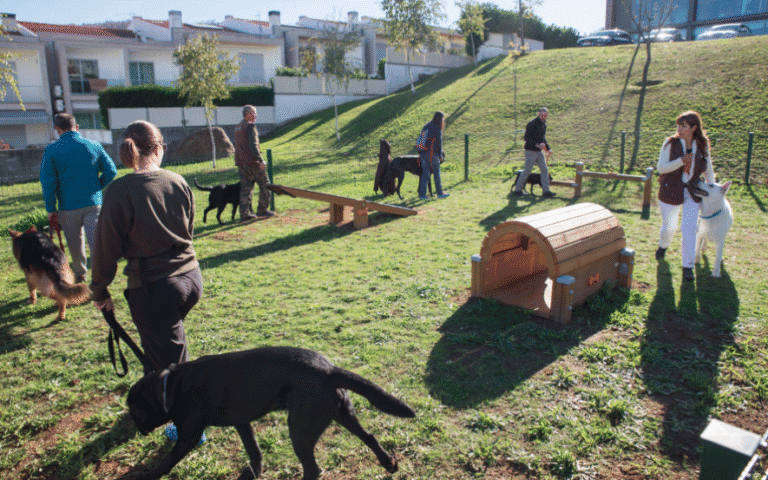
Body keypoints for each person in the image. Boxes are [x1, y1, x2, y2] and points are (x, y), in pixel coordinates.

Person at [91, 120, 202, 374]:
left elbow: (105, 247)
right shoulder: (178, 181)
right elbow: (189, 229)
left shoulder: (119, 191)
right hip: (191, 278)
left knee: (169, 368)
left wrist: (99, 290)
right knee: (168, 349)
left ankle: (181, 407)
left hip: (154, 289)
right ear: (158, 149)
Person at [40, 113, 117, 282]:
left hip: (68, 206)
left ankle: (80, 274)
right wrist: (97, 186)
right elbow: (111, 170)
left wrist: (51, 209)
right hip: (93, 202)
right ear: (77, 126)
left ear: (57, 129)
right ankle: (100, 276)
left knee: (75, 244)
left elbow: (48, 183)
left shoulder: (51, 150)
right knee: (96, 242)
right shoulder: (94, 145)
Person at [655, 110, 715, 282]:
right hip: (671, 188)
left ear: (694, 127)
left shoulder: (702, 145)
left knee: (689, 228)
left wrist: (711, 189)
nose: (679, 129)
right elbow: (661, 168)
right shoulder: (669, 143)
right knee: (670, 226)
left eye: (684, 126)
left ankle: (687, 267)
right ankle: (663, 246)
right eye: (678, 125)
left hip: (692, 190)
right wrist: (681, 161)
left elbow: (707, 168)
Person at [234, 105, 274, 221]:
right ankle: (262, 210)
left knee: (245, 189)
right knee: (266, 185)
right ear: (247, 114)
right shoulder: (250, 126)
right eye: (254, 113)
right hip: (252, 162)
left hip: (241, 162)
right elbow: (253, 145)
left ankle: (244, 214)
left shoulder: (238, 127)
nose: (256, 115)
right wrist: (261, 161)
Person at [512, 107, 555, 198]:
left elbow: (542, 138)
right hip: (530, 151)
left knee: (544, 170)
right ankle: (518, 190)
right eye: (542, 114)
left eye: (546, 114)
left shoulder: (544, 124)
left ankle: (546, 191)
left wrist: (548, 149)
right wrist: (537, 145)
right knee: (527, 170)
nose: (544, 116)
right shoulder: (532, 123)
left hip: (539, 152)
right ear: (538, 113)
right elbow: (527, 138)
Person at [416, 111, 449, 200]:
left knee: (425, 174)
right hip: (432, 153)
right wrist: (440, 155)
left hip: (422, 153)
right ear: (440, 119)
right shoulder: (437, 128)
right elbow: (438, 143)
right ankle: (440, 193)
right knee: (436, 173)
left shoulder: (426, 126)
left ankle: (422, 195)